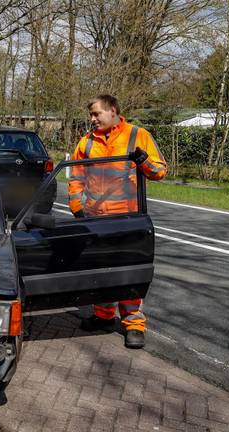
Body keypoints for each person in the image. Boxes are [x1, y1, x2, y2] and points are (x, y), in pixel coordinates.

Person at [71, 94, 167, 349]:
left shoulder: (138, 135)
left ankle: (134, 324)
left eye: (96, 114)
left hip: (128, 218)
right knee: (100, 270)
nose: (92, 119)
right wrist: (77, 208)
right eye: (91, 115)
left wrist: (144, 160)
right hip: (95, 218)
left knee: (128, 271)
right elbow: (76, 177)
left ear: (113, 110)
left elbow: (160, 171)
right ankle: (103, 316)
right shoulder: (86, 142)